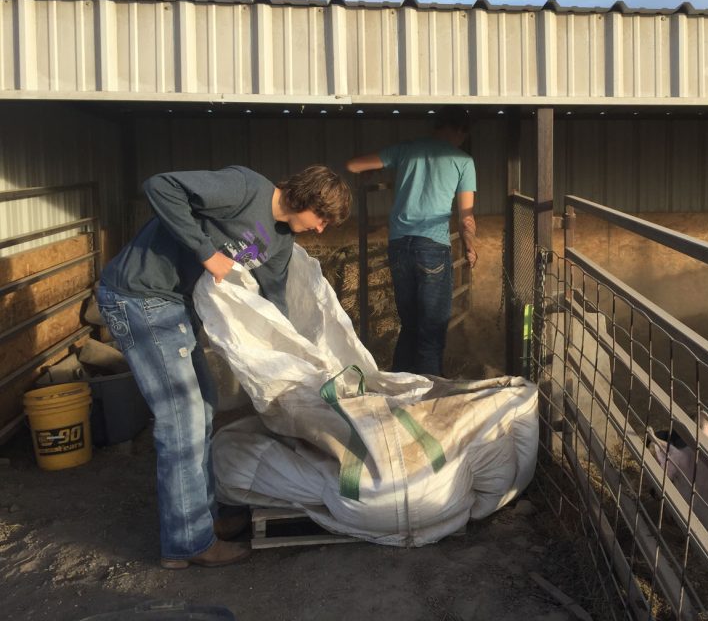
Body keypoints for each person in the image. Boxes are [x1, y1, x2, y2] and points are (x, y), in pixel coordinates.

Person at [95, 164, 350, 569]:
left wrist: (295, 357)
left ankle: (203, 520)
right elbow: (160, 184)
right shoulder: (246, 188)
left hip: (175, 305)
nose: (321, 230)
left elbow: (274, 299)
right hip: (140, 296)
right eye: (322, 219)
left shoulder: (280, 241)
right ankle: (186, 545)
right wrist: (206, 251)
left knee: (205, 405)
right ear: (309, 200)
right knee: (183, 419)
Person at [345, 109, 477, 376]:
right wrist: (470, 247)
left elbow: (353, 165)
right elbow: (466, 219)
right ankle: (428, 402)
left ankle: (399, 393)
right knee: (431, 332)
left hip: (399, 245)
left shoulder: (407, 150)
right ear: (460, 132)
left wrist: (369, 174)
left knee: (409, 325)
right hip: (433, 246)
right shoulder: (463, 161)